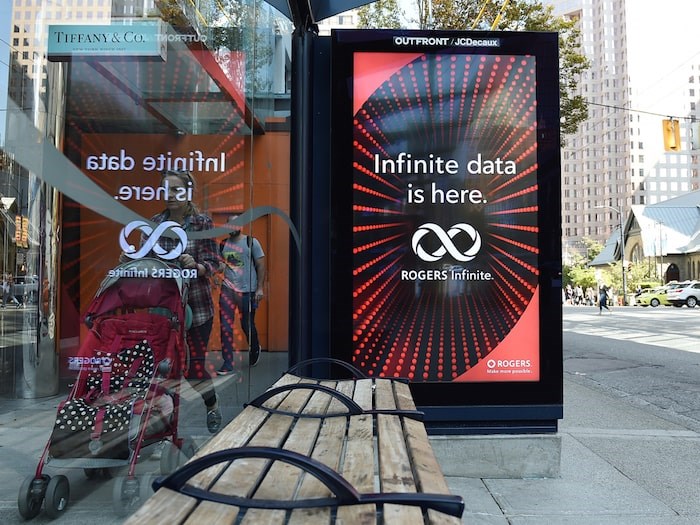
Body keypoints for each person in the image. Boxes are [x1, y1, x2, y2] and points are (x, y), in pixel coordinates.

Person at [140, 169, 222, 433]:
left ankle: (211, 404)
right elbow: (142, 261)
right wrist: (130, 261)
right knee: (161, 367)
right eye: (166, 190)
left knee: (194, 368)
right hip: (163, 310)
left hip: (196, 309)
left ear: (188, 192)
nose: (171, 195)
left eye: (176, 190)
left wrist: (197, 266)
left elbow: (214, 263)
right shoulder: (154, 223)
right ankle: (163, 426)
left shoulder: (202, 224)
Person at [217, 214, 266, 375]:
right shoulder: (224, 244)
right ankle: (228, 363)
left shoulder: (251, 242)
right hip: (228, 290)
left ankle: (255, 346)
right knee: (225, 327)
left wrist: (259, 288)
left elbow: (260, 265)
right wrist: (217, 276)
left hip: (248, 291)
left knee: (247, 325)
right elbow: (220, 266)